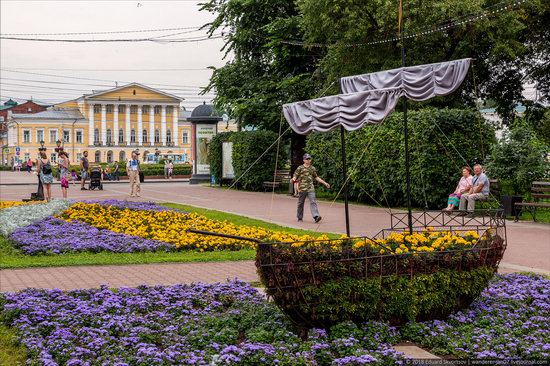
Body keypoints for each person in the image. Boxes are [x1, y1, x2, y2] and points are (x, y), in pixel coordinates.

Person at [292, 153, 330, 223]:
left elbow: (316, 177)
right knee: (300, 203)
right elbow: (295, 175)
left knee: (313, 201)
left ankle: (316, 216)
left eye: (309, 159)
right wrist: (293, 179)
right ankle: (299, 217)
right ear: (304, 160)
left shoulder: (312, 168)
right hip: (302, 188)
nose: (308, 160)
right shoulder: (300, 168)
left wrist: (325, 183)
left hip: (310, 188)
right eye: (307, 159)